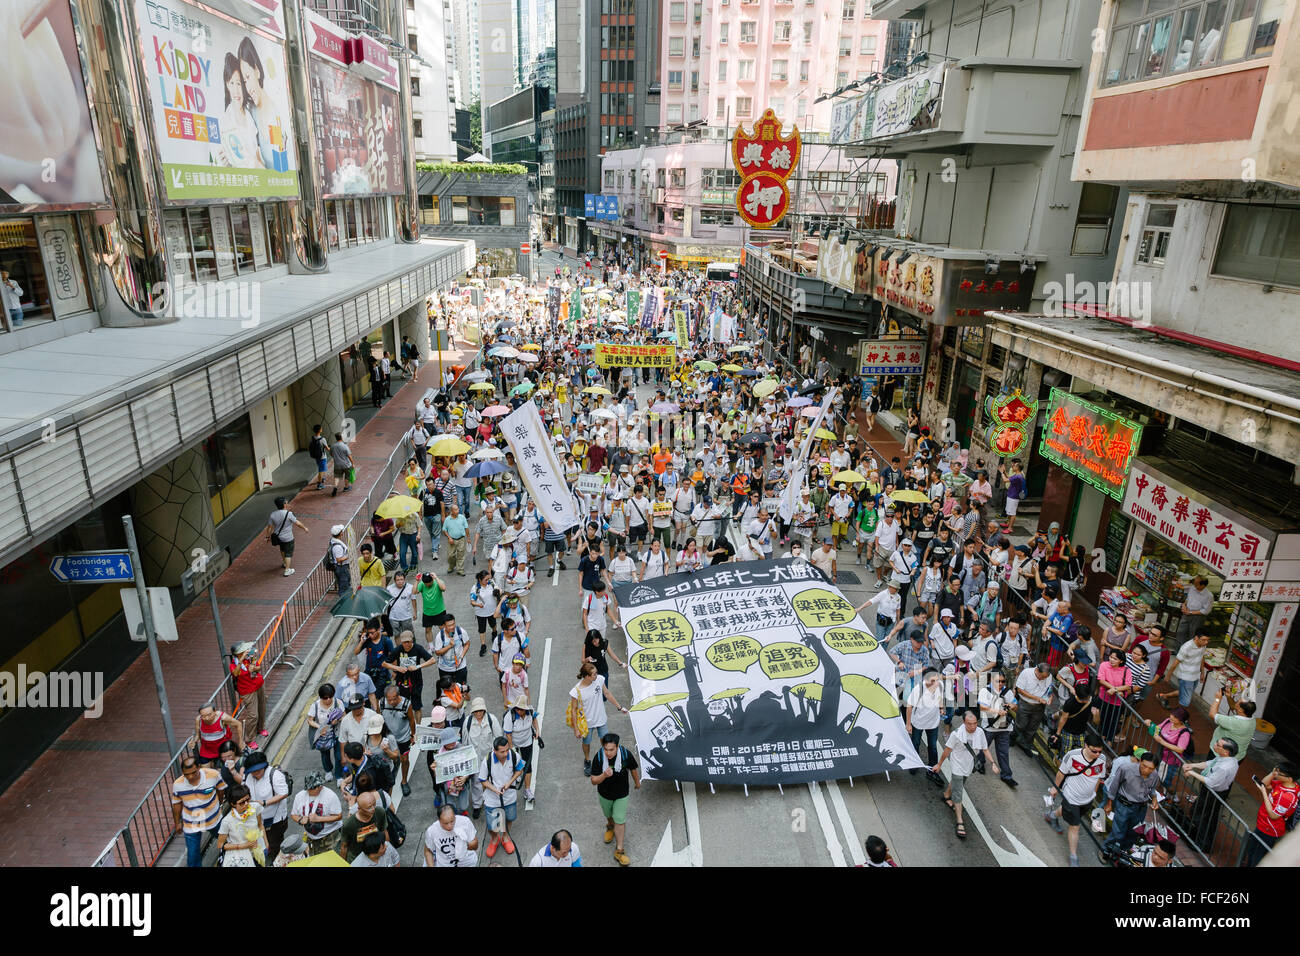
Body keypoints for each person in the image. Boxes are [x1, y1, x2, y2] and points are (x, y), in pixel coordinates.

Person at [932, 709, 996, 840]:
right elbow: (947, 750)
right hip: (957, 766)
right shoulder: (956, 734)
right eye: (969, 724)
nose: (972, 726)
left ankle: (946, 795)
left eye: (974, 723)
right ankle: (960, 821)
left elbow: (985, 749)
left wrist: (992, 763)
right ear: (964, 722)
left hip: (969, 765)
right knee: (958, 792)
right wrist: (939, 764)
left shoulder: (980, 733)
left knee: (958, 783)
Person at [1045, 731, 1107, 867]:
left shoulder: (1102, 758)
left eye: (1099, 751)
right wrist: (1055, 788)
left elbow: (1099, 778)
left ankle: (1052, 815)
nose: (1097, 755)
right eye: (1094, 751)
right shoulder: (1072, 756)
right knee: (1075, 826)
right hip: (1071, 796)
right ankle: (1073, 856)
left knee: (1072, 815)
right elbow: (1061, 773)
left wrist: (1094, 793)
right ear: (1086, 745)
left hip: (1088, 799)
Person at [1100, 751, 1161, 862]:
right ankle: (1106, 850)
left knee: (1134, 833)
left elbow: (1152, 789)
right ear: (1140, 761)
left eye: (1150, 768)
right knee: (1118, 832)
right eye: (1144, 766)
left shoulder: (1155, 774)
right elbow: (1114, 786)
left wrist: (1155, 799)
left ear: (1155, 768)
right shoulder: (1126, 769)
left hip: (1141, 808)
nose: (1146, 770)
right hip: (1124, 805)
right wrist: (1109, 803)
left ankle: (1121, 854)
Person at [590, 732, 640, 866]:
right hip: (604, 794)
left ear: (617, 747)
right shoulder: (599, 758)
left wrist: (637, 782)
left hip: (621, 794)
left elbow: (633, 768)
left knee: (620, 819)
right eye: (606, 749)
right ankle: (610, 826)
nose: (608, 753)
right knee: (609, 815)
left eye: (611, 750)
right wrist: (604, 775)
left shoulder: (625, 755)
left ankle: (619, 851)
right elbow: (594, 780)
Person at [570, 662, 628, 774]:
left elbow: (607, 693)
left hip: (601, 718)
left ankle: (606, 759)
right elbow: (574, 710)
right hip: (587, 723)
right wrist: (576, 729)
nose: (596, 675)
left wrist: (619, 707)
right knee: (586, 742)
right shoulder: (576, 691)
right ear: (587, 676)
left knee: (606, 741)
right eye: (594, 674)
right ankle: (587, 760)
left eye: (596, 673)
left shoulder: (600, 679)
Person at [1181, 737, 1239, 848]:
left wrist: (1192, 773)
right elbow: (1209, 764)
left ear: (1226, 752)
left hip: (1212, 793)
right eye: (1217, 742)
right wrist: (1193, 765)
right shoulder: (1225, 758)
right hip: (1209, 791)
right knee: (1201, 814)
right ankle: (1198, 836)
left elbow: (1210, 782)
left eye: (1218, 745)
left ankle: (1201, 844)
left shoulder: (1225, 767)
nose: (1215, 745)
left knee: (1203, 817)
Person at [171, 756, 226, 867]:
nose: (190, 777)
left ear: (199, 767)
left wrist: (219, 804)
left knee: (227, 842)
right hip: (191, 822)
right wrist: (177, 823)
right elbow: (177, 804)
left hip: (214, 819)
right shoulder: (178, 785)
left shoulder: (213, 775)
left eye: (193, 773)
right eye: (186, 774)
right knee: (193, 855)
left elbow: (220, 790)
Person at [480, 735, 527, 858]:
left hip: (509, 796)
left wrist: (510, 782)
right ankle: (495, 839)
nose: (506, 754)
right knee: (493, 824)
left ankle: (505, 837)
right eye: (502, 752)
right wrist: (494, 789)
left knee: (509, 818)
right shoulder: (487, 761)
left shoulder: (513, 755)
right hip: (492, 799)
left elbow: (519, 769)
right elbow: (483, 780)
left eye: (507, 750)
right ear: (494, 750)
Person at [242, 751, 290, 860]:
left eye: (258, 770)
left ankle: (276, 859)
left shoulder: (275, 775)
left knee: (274, 843)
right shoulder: (248, 776)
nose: (255, 773)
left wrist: (264, 803)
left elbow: (284, 793)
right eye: (252, 771)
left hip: (275, 820)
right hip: (257, 819)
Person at [461, 698, 502, 819]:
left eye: (481, 711)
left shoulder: (491, 720)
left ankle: (495, 803)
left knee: (494, 780)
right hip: (474, 758)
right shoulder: (467, 722)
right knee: (476, 782)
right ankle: (477, 805)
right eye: (476, 711)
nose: (478, 713)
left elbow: (498, 737)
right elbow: (465, 742)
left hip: (489, 757)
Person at [979, 670, 1019, 788]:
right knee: (983, 747)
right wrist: (997, 711)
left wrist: (1013, 706)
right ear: (991, 680)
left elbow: (1015, 706)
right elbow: (982, 707)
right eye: (998, 681)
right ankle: (980, 763)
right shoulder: (985, 691)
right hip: (989, 727)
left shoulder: (1008, 692)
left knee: (1003, 752)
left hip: (1004, 727)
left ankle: (1007, 775)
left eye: (1003, 681)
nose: (1001, 684)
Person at [290, 769, 344, 857]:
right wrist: (300, 820)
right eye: (308, 788)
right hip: (311, 839)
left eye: (312, 788)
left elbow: (338, 816)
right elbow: (293, 814)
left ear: (320, 786)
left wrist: (319, 819)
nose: (309, 790)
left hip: (330, 837)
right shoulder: (299, 796)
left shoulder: (330, 796)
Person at [905, 668, 947, 777]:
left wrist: (941, 708)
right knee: (915, 744)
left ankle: (932, 769)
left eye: (937, 680)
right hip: (918, 723)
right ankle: (914, 764)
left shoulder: (939, 686)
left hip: (933, 723)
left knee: (932, 746)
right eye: (933, 681)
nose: (936, 683)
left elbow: (940, 698)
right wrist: (908, 724)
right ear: (925, 679)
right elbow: (909, 707)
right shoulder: (918, 690)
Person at [1157, 628, 1211, 708]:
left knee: (1184, 692)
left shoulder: (1203, 646)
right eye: (1203, 640)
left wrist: (1202, 673)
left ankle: (1164, 696)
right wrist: (1168, 676)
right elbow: (1175, 663)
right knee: (1185, 702)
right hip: (1186, 677)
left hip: (1195, 676)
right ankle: (1178, 717)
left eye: (1207, 640)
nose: (1206, 642)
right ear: (1196, 638)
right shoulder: (1186, 647)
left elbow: (1201, 657)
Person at [216, 784, 266, 867]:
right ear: (233, 804)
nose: (246, 804)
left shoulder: (256, 807)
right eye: (242, 802)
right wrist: (243, 846)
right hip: (242, 856)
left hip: (260, 849)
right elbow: (220, 844)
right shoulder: (227, 821)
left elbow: (260, 826)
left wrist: (266, 844)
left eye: (248, 799)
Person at [228, 641, 267, 740]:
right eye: (244, 650)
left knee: (262, 709)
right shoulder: (234, 664)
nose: (247, 651)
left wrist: (254, 668)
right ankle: (249, 739)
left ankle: (260, 728)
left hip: (259, 685)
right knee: (253, 715)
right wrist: (241, 661)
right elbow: (236, 674)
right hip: (247, 691)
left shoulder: (250, 658)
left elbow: (258, 667)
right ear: (239, 654)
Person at [1012, 662, 1053, 754]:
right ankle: (1012, 737)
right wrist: (1037, 698)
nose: (1044, 679)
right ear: (1037, 670)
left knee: (1032, 728)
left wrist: (1050, 697)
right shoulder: (1026, 673)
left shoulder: (1048, 676)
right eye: (1042, 677)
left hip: (1039, 706)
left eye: (1045, 677)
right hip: (1025, 703)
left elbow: (1049, 688)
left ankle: (1025, 744)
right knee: (1021, 725)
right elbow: (1020, 690)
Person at [339, 791, 388, 863]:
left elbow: (384, 832)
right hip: (357, 858)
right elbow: (344, 846)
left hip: (376, 855)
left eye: (374, 804)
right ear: (359, 809)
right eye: (369, 807)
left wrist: (387, 850)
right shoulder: (349, 824)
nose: (373, 809)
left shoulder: (379, 812)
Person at [266, 496, 307, 577]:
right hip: (288, 538)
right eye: (287, 503)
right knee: (288, 553)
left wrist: (267, 537)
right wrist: (304, 528)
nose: (288, 504)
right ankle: (287, 570)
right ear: (284, 504)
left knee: (282, 550)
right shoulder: (289, 514)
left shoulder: (273, 514)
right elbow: (297, 523)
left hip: (279, 537)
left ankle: (284, 563)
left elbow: (269, 527)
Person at [1209, 688, 1257, 757]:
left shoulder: (1235, 722)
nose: (1235, 702)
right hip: (1238, 756)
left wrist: (1217, 699)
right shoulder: (1251, 717)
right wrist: (1228, 697)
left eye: (1237, 701)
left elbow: (1212, 714)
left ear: (1241, 709)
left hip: (1220, 755)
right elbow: (1233, 707)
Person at [1174, 576, 1213, 651]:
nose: (1194, 586)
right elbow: (1188, 599)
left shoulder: (1209, 596)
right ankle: (1178, 650)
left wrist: (1191, 612)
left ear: (1203, 585)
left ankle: (1189, 652)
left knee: (1193, 635)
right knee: (1181, 632)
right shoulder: (1192, 588)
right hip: (1186, 613)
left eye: (1196, 584)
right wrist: (1184, 605)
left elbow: (1206, 611)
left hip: (1197, 617)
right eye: (1194, 584)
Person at [434, 614, 472, 686]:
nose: (452, 627)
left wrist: (461, 657)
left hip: (461, 667)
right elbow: (437, 652)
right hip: (445, 669)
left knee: (462, 689)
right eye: (449, 625)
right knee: (447, 690)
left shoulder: (461, 631)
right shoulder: (440, 636)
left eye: (453, 624)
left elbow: (467, 644)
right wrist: (450, 646)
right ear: (444, 626)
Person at [442, 501, 470, 575]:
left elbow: (466, 528)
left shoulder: (462, 517)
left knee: (461, 555)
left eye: (457, 509)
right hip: (452, 540)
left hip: (461, 539)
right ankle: (452, 565)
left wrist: (468, 538)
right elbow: (444, 530)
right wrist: (449, 538)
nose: (457, 511)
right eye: (455, 510)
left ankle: (460, 569)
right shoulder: (447, 519)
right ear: (451, 511)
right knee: (450, 556)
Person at [327, 525, 350, 593]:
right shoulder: (337, 546)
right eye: (341, 531)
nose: (342, 532)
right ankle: (344, 601)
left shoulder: (334, 541)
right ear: (340, 533)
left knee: (345, 583)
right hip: (341, 568)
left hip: (342, 568)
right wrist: (349, 556)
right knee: (344, 588)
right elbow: (338, 559)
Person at [331, 432, 354, 496]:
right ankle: (346, 487)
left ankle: (335, 487)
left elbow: (331, 454)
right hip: (346, 465)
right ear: (341, 437)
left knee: (337, 477)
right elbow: (349, 456)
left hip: (337, 465)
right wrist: (353, 463)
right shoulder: (345, 446)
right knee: (347, 476)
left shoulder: (333, 446)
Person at [309, 424, 330, 491]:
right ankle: (319, 484)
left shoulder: (313, 438)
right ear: (320, 430)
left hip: (316, 456)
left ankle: (321, 479)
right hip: (322, 457)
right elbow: (327, 448)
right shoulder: (323, 439)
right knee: (321, 471)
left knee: (320, 468)